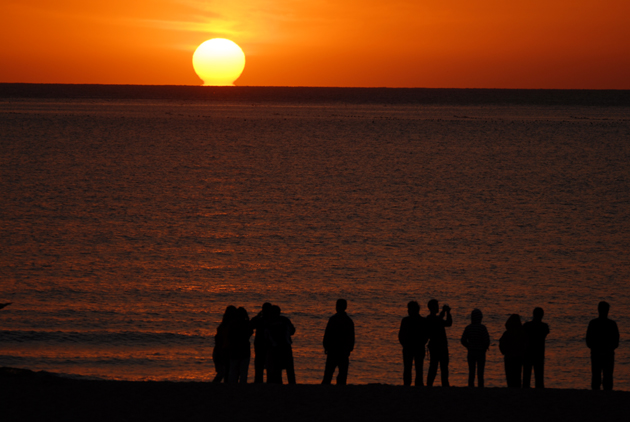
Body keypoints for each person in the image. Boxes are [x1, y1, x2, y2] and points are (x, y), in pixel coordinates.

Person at [586, 301, 620, 390]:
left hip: (596, 353)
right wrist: (609, 348)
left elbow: (588, 340)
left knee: (597, 376)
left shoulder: (593, 323)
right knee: (607, 376)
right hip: (607, 353)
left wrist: (594, 347)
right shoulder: (612, 324)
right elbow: (616, 341)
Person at [322, 299, 355, 385]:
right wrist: (349, 349)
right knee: (342, 375)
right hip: (343, 351)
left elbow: (327, 334)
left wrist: (326, 346)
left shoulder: (333, 319)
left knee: (328, 374)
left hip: (333, 350)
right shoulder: (348, 321)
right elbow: (351, 337)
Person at [398, 300, 428, 386]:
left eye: (409, 309)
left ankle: (409, 384)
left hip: (412, 347)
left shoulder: (407, 321)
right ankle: (415, 384)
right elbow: (426, 335)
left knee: (411, 368)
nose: (408, 311)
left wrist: (404, 344)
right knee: (416, 368)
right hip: (414, 347)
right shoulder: (422, 321)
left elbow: (401, 335)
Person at [265, 305, 296, 384]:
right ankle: (292, 383)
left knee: (276, 367)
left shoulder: (269, 321)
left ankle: (278, 384)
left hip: (274, 347)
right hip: (285, 346)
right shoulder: (285, 320)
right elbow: (292, 330)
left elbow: (266, 335)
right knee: (289, 367)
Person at [460, 308, 490, 388]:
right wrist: (485, 347)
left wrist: (468, 346)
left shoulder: (468, 328)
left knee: (471, 372)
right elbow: (487, 340)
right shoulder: (482, 328)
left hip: (471, 352)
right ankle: (480, 387)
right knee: (480, 372)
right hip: (481, 352)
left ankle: (471, 387)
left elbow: (463, 340)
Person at [425, 299, 452, 387]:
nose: (437, 307)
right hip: (439, 346)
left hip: (435, 346)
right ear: (432, 307)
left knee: (435, 367)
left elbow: (443, 321)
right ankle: (443, 385)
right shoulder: (432, 319)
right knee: (440, 367)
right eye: (436, 306)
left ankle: (430, 385)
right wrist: (446, 312)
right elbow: (448, 323)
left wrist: (444, 312)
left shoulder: (430, 319)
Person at [522, 307, 550, 388]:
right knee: (539, 376)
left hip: (528, 352)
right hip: (539, 353)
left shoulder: (527, 325)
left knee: (526, 375)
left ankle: (526, 390)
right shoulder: (544, 326)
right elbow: (546, 332)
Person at [499, 314, 528, 388]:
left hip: (509, 357)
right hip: (519, 357)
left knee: (509, 377)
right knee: (517, 376)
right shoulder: (522, 333)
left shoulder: (507, 333)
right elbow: (525, 344)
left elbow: (501, 344)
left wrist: (504, 351)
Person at [228, 307, 253, 383]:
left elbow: (230, 336)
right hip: (244, 349)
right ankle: (242, 386)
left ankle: (232, 385)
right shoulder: (247, 324)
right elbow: (250, 333)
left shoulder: (232, 324)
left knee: (233, 370)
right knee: (243, 370)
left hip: (234, 349)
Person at [212, 305, 237, 383]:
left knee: (223, 372)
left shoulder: (223, 325)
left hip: (220, 350)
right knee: (225, 372)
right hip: (224, 350)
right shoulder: (229, 326)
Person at [250, 302, 272, 383]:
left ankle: (259, 381)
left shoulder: (260, 320)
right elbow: (251, 325)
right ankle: (268, 382)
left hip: (262, 345)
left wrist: (257, 316)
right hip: (267, 345)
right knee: (268, 365)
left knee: (260, 365)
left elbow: (251, 325)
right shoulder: (271, 319)